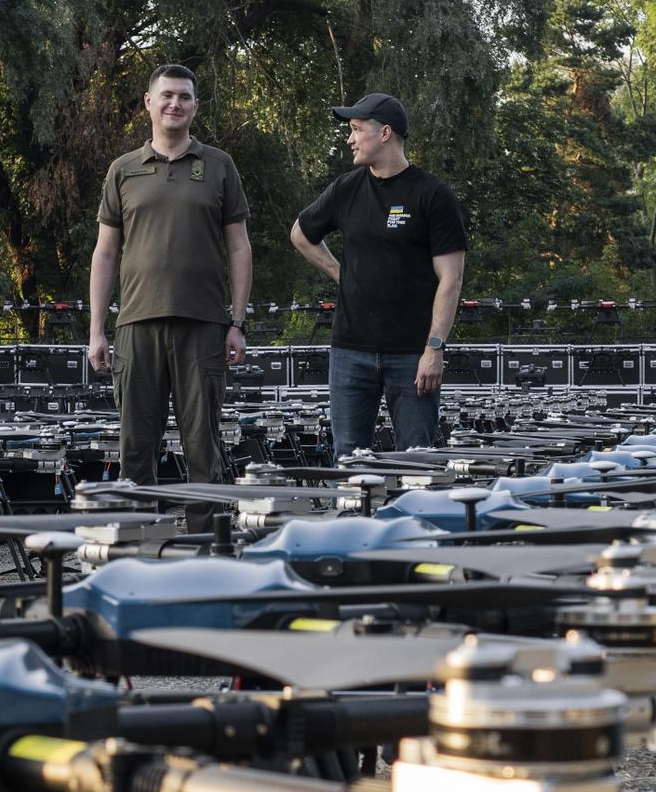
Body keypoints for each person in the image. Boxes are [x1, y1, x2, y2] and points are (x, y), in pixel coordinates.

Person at [88, 65, 252, 525]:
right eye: (166, 95)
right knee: (136, 448)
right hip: (136, 325)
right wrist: (97, 330)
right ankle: (139, 544)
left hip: (204, 325)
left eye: (184, 97)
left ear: (195, 107)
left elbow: (239, 247)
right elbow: (105, 252)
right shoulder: (123, 170)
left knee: (203, 447)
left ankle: (207, 546)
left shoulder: (219, 166)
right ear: (149, 102)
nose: (174, 104)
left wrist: (237, 323)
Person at [290, 92, 467, 454]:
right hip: (350, 351)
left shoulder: (432, 195)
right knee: (349, 459)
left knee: (416, 461)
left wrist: (434, 348)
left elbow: (451, 279)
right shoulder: (346, 189)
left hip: (412, 354)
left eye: (356, 129)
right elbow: (300, 235)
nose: (350, 139)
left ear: (385, 133)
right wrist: (342, 274)